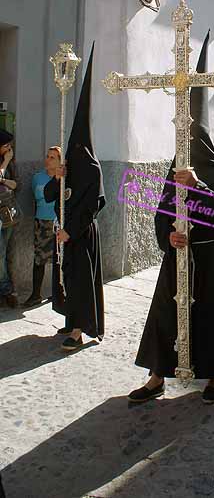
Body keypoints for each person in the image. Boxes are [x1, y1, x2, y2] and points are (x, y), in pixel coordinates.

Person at [128, 31, 214, 405]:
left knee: (212, 317)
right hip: (177, 257)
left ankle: (213, 379)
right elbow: (162, 208)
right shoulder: (174, 166)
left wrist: (196, 187)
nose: (184, 151)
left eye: (190, 144)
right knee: (164, 314)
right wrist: (168, 237)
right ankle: (157, 376)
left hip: (208, 259)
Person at [44, 44, 105, 350]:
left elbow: (93, 205)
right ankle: (71, 320)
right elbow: (50, 194)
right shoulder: (69, 167)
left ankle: (80, 331)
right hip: (65, 232)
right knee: (65, 278)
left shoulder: (91, 169)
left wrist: (72, 229)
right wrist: (59, 176)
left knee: (81, 282)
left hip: (81, 233)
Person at [23, 146, 61, 307]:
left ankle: (58, 293)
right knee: (39, 258)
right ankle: (36, 294)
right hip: (41, 222)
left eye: (52, 157)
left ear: (60, 161)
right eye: (47, 156)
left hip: (58, 222)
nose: (47, 160)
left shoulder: (64, 178)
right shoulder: (37, 178)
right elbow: (36, 198)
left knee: (58, 259)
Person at [0, 129, 20, 308]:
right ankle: (6, 290)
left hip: (7, 213)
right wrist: (5, 162)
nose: (9, 149)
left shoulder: (10, 164)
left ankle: (5, 290)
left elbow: (16, 184)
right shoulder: (6, 161)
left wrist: (4, 181)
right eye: (6, 145)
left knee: (4, 252)